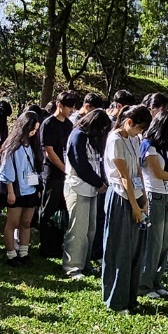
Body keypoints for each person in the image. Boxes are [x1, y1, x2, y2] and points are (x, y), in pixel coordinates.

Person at [103, 104, 150, 313]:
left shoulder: (134, 139)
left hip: (137, 196)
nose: (140, 133)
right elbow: (123, 178)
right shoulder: (115, 140)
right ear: (129, 122)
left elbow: (138, 171)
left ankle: (131, 298)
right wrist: (134, 206)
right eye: (139, 128)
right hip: (121, 198)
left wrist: (144, 199)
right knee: (120, 250)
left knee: (135, 251)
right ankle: (116, 300)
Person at [62, 108, 109, 279]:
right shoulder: (78, 135)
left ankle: (85, 262)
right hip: (77, 187)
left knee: (90, 230)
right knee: (77, 230)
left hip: (92, 189)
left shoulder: (90, 138)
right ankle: (72, 267)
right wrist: (98, 182)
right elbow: (80, 165)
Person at [137, 111, 168, 299]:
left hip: (167, 197)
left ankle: (157, 280)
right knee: (153, 243)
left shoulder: (164, 149)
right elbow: (158, 173)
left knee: (166, 240)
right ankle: (144, 284)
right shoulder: (148, 146)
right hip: (153, 196)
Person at [0, 108, 43, 265]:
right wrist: (10, 191)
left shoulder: (33, 146)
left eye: (36, 129)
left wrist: (37, 189)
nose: (34, 132)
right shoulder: (13, 146)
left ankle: (24, 252)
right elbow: (6, 169)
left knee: (26, 223)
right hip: (16, 191)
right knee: (13, 223)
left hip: (30, 189)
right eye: (32, 129)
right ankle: (11, 254)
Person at [37, 91, 77, 259]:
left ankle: (57, 244)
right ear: (59, 105)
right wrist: (64, 168)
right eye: (69, 107)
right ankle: (45, 246)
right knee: (48, 209)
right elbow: (49, 151)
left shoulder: (69, 125)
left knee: (63, 210)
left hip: (66, 176)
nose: (72, 110)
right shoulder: (48, 124)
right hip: (52, 174)